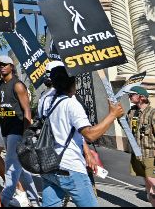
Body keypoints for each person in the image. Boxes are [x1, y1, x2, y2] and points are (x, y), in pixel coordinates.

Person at [38, 65, 125, 207]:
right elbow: (90, 135)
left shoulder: (45, 100)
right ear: (72, 83)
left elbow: (69, 131)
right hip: (70, 166)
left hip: (49, 164)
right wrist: (112, 115)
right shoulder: (71, 103)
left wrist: (87, 152)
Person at [0, 55, 39, 207]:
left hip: (17, 130)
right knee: (21, 168)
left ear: (11, 66)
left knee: (11, 164)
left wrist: (26, 133)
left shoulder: (17, 85)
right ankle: (35, 200)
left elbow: (27, 111)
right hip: (5, 130)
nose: (1, 67)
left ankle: (4, 200)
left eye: (5, 64)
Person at [127, 86, 155, 206]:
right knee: (146, 180)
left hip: (150, 153)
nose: (129, 96)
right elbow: (122, 121)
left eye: (132, 94)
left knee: (151, 179)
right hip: (137, 153)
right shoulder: (132, 111)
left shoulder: (152, 113)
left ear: (142, 97)